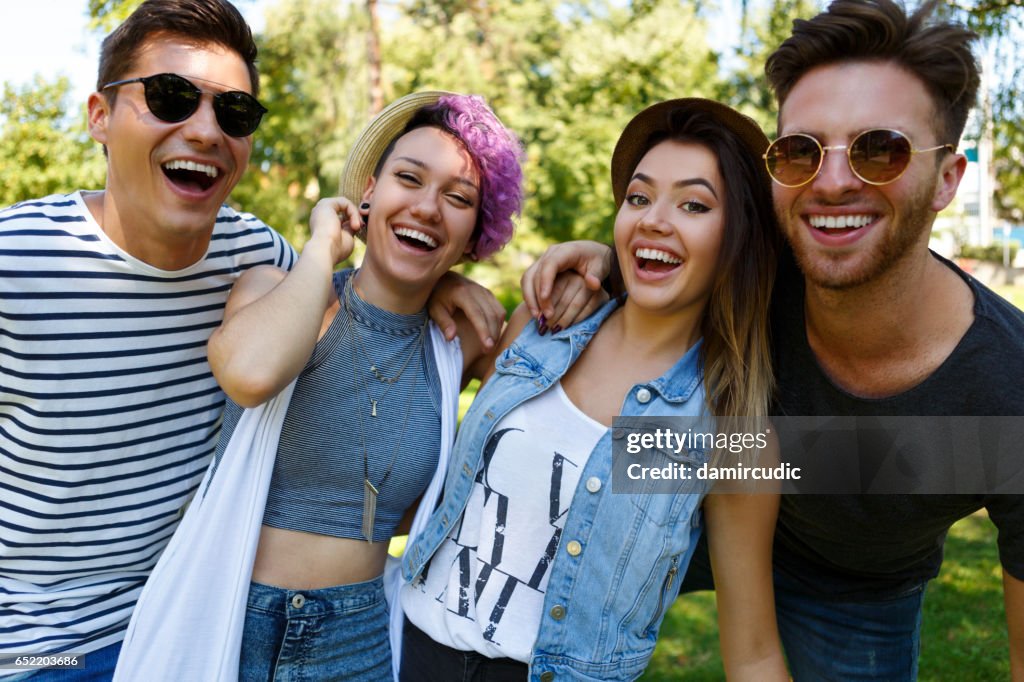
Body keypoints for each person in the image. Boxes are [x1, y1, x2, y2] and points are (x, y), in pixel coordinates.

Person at [521, 0, 1024, 679]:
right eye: (800, 151)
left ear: (948, 179)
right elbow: (671, 243)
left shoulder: (1009, 393)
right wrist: (598, 262)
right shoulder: (772, 263)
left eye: (880, 148)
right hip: (703, 499)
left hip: (858, 586)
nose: (834, 180)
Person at [118, 91, 523, 681]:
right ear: (367, 192)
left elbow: (586, 380)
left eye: (458, 199)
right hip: (229, 616)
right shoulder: (270, 287)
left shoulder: (458, 341)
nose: (428, 208)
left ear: (472, 238)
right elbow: (251, 374)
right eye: (408, 179)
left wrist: (592, 258)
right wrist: (321, 247)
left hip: (360, 636)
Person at [398, 98, 789, 681]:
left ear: (738, 237)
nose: (654, 219)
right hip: (408, 651)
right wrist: (434, 282)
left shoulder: (731, 432)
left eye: (693, 204)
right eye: (639, 197)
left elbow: (754, 651)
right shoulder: (542, 328)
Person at [0, 1, 296, 678]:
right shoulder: (14, 263)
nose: (205, 130)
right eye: (170, 97)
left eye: (235, 112)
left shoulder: (253, 253)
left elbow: (351, 298)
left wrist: (447, 288)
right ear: (99, 117)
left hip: (193, 626)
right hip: (39, 649)